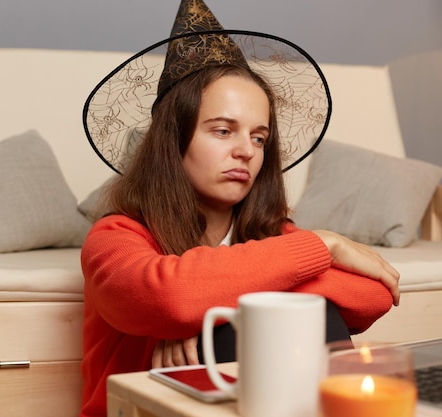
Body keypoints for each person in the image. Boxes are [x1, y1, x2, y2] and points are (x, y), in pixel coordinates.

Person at [80, 1, 400, 416]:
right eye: (223, 130)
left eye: (259, 138)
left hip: (257, 403)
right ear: (174, 141)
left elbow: (373, 294)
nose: (245, 152)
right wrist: (326, 245)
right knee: (267, 319)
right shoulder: (115, 237)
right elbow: (169, 296)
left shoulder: (268, 233)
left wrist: (206, 315)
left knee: (287, 318)